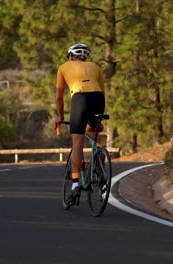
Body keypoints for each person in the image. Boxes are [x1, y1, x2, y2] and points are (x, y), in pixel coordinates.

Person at [55, 43, 105, 201]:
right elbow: (102, 91)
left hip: (80, 98)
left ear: (70, 56)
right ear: (85, 57)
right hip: (98, 99)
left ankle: (75, 184)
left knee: (77, 142)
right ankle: (98, 158)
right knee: (92, 129)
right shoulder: (96, 67)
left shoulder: (63, 67)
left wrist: (60, 117)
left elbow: (58, 97)